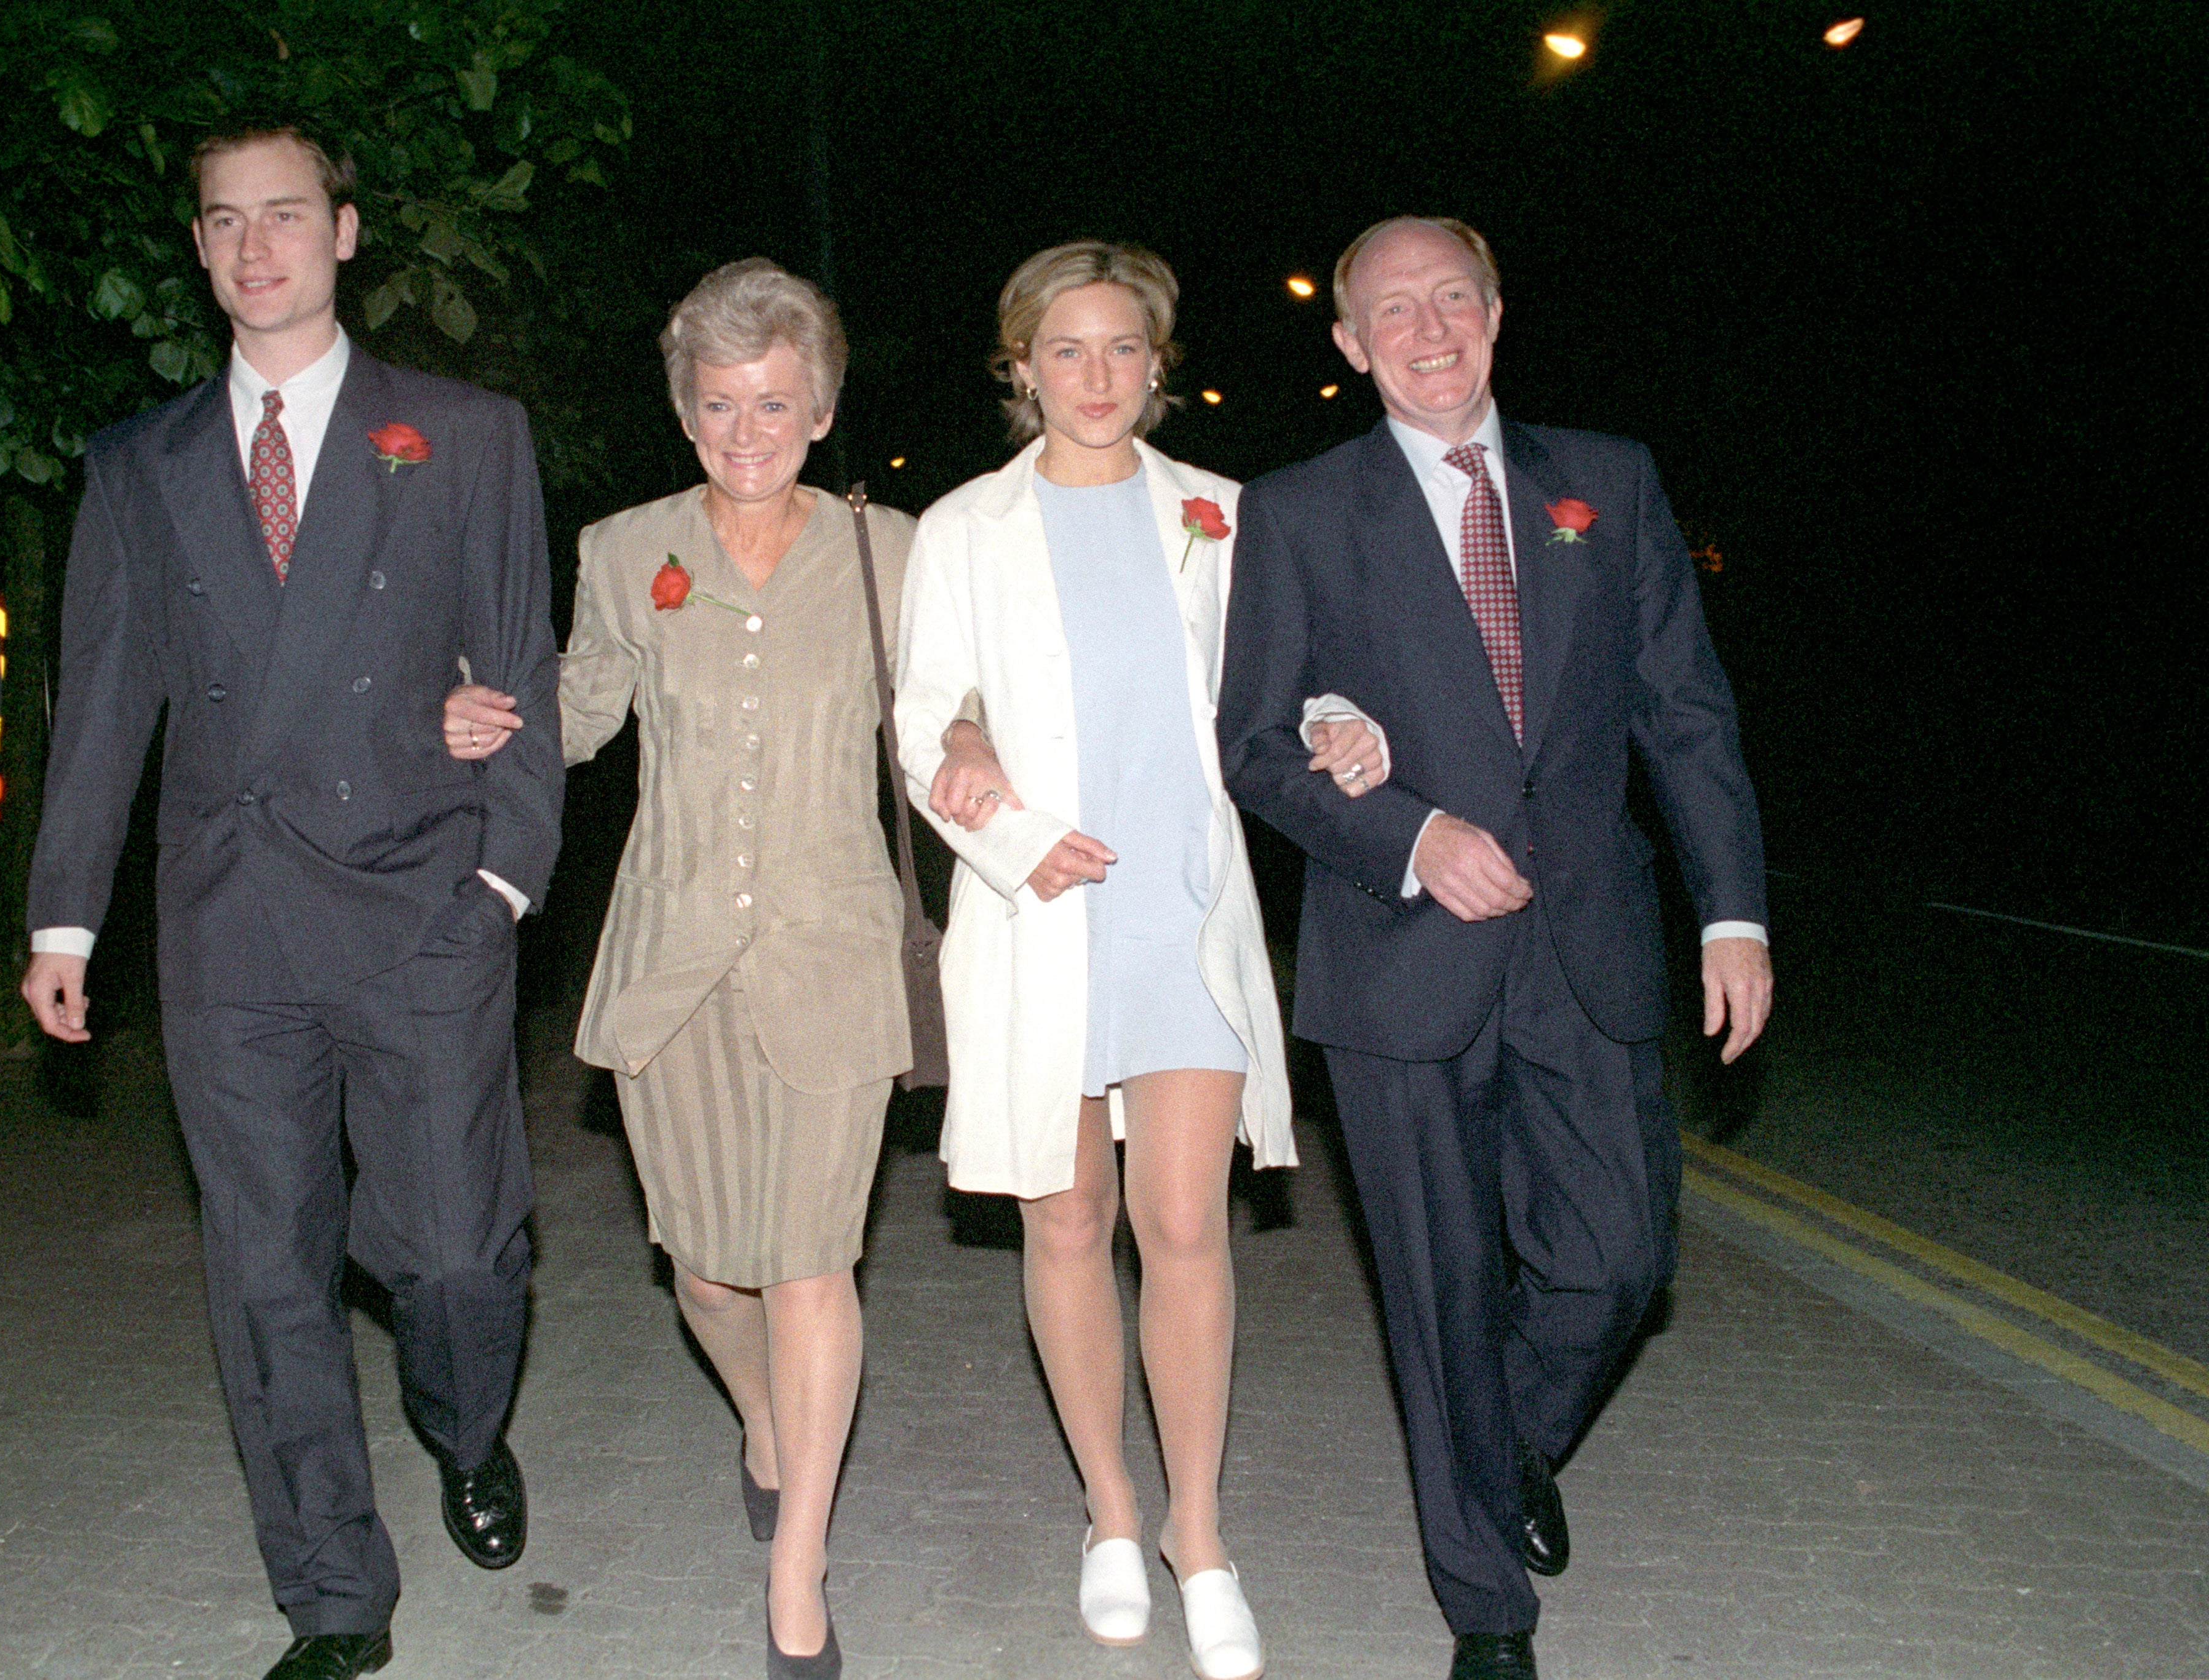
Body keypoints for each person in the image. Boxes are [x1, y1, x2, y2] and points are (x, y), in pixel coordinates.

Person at [20, 126, 565, 1680]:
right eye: (221, 224)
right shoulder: (142, 464)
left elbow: (515, 671)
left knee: (456, 1254)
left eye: (283, 217)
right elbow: (105, 701)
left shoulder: (460, 434)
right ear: (198, 252)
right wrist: (66, 921)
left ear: (342, 230)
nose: (255, 248)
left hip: (418, 908)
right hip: (227, 920)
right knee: (266, 1273)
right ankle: (332, 1595)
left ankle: (464, 1426)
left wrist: (499, 882)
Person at [1216, 216, 1773, 1680]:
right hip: (1400, 957)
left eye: (1449, 298)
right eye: (1388, 310)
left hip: (1585, 942)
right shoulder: (1295, 510)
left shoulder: (1607, 481)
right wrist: (1407, 833)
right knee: (1440, 1282)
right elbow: (1258, 750)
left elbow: (1684, 710)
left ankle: (1499, 1445)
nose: (1424, 327)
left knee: (1615, 1261)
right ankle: (1484, 1610)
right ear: (1344, 343)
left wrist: (1731, 910)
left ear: (1495, 314)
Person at [891, 241, 1362, 1680]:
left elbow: (1298, 677)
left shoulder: (1223, 512)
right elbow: (925, 725)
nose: (1092, 377)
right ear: (1018, 367)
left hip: (1179, 909)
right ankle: (1106, 1507)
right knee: (1063, 1223)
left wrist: (1347, 722)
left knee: (1186, 1224)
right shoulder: (961, 528)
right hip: (1041, 916)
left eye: (1119, 349)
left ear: (1157, 366)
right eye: (1063, 350)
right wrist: (1007, 821)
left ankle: (1198, 1532)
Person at [442, 258, 911, 1680]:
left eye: (774, 399)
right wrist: (479, 714)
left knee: (815, 1260)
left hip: (831, 954)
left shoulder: (892, 548)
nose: (747, 428)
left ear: (820, 407)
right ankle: (765, 1424)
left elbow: (960, 701)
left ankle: (796, 1572)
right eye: (719, 402)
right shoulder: (623, 548)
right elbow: (576, 718)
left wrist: (968, 747)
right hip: (672, 964)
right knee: (709, 1274)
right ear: (686, 410)